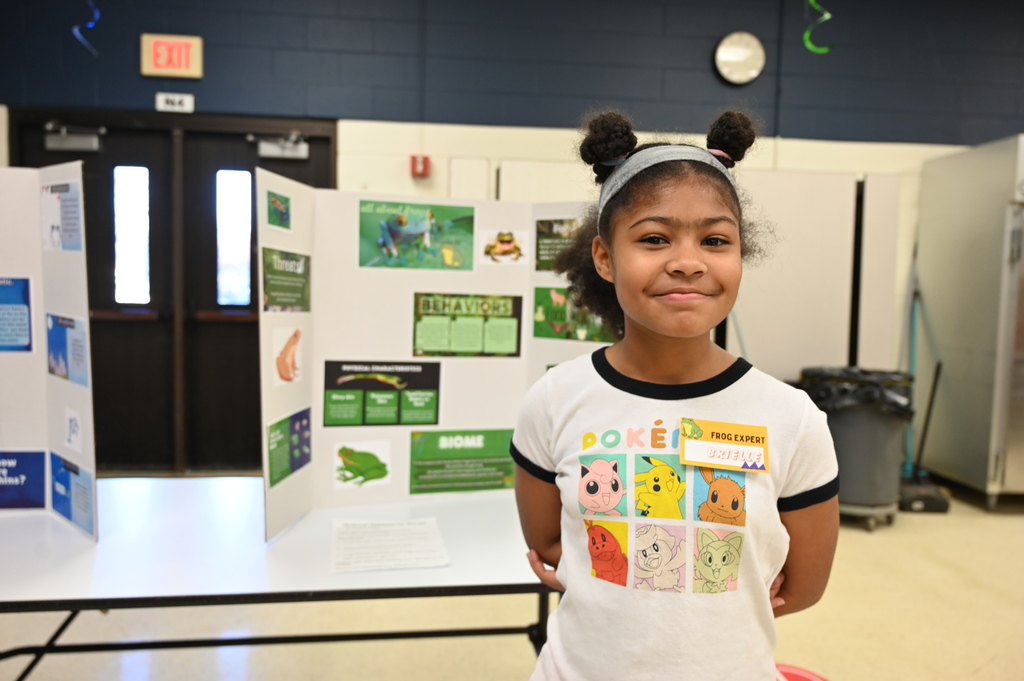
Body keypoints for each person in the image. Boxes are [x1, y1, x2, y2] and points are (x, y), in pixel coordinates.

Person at [511, 110, 840, 680]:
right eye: (655, 238)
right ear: (605, 258)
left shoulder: (793, 419)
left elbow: (802, 585)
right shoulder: (554, 399)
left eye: (715, 240)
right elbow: (552, 544)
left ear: (740, 256)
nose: (687, 262)